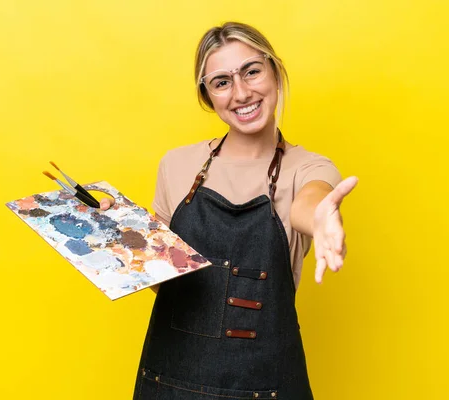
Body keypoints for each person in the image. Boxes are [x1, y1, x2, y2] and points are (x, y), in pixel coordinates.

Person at [100, 21, 358, 400]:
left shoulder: (309, 168)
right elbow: (165, 282)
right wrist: (117, 231)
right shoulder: (177, 166)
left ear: (275, 72)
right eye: (221, 82)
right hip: (170, 385)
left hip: (266, 386)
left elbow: (312, 201)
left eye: (252, 71)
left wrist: (321, 217)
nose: (241, 92)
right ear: (208, 96)